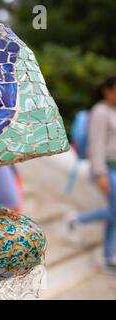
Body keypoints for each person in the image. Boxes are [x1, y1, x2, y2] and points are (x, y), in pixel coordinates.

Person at [66, 75, 116, 271]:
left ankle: (108, 255)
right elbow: (97, 145)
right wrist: (100, 173)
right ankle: (76, 219)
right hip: (107, 169)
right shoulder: (100, 112)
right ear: (107, 90)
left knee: (114, 213)